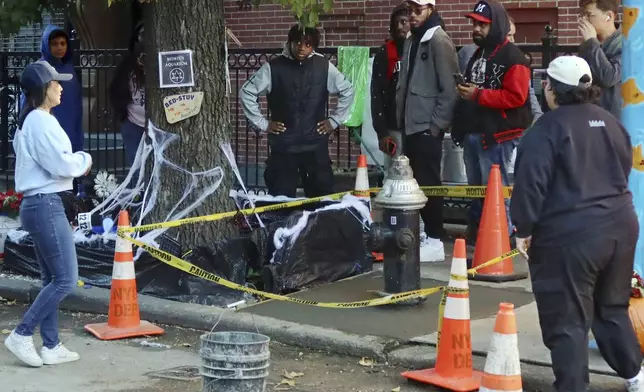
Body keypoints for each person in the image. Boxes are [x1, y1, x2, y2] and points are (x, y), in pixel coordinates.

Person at [511, 55, 644, 392]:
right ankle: (635, 377)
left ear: (551, 88)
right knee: (611, 309)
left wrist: (523, 230)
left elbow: (530, 184)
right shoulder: (610, 121)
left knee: (568, 319)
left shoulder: (547, 130)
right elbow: (624, 166)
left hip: (570, 237)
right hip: (620, 227)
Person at [5, 61, 92, 367]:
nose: (60, 87)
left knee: (51, 279)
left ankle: (52, 346)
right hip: (46, 203)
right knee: (66, 279)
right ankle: (22, 333)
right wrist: (84, 161)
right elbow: (61, 164)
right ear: (43, 88)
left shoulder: (33, 120)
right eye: (55, 83)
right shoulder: (41, 121)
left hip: (40, 204)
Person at [240, 24, 355, 198]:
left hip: (315, 144)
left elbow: (348, 90)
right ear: (290, 42)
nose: (302, 47)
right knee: (280, 198)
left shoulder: (324, 66)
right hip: (284, 146)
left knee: (321, 199)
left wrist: (334, 121)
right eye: (298, 42)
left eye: (307, 44)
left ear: (314, 46)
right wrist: (263, 124)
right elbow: (246, 92)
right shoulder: (273, 67)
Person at [451, 0, 533, 244]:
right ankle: (478, 233)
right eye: (474, 23)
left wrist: (478, 95)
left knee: (494, 190)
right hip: (474, 132)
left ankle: (502, 236)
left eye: (482, 25)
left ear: (496, 25)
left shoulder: (514, 57)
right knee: (476, 188)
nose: (476, 29)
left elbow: (517, 97)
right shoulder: (478, 53)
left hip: (498, 136)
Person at [395, 0, 460, 261]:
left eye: (417, 10)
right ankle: (425, 233)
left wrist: (435, 127)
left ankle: (435, 236)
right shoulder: (413, 39)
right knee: (416, 182)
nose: (411, 15)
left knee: (429, 182)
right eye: (409, 10)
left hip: (425, 127)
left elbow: (450, 89)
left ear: (430, 9)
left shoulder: (438, 39)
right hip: (411, 125)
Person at [29, 25, 84, 154]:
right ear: (46, 45)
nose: (59, 47)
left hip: (70, 128)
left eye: (63, 43)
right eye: (54, 44)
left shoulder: (69, 70)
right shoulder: (38, 70)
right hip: (46, 131)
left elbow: (77, 105)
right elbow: (28, 103)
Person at [371, 4, 411, 169]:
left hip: (416, 127)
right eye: (396, 23)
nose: (399, 26)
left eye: (404, 22)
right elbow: (376, 94)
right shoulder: (385, 52)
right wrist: (382, 132)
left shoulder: (420, 48)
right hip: (393, 127)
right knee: (394, 174)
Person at [110, 22, 146, 167]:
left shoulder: (160, 62)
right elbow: (116, 89)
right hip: (133, 123)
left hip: (158, 125)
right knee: (136, 167)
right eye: (143, 35)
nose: (146, 39)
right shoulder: (128, 64)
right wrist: (123, 114)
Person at [578, 0, 622, 118]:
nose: (584, 19)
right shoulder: (589, 42)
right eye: (583, 15)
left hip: (615, 120)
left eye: (589, 15)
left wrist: (592, 43)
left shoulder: (626, 43)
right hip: (590, 116)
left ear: (609, 16)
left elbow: (609, 77)